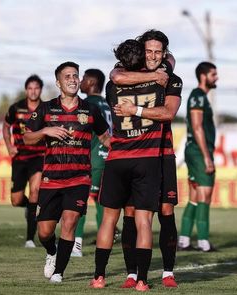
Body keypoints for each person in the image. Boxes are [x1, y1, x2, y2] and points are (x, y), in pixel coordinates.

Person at [90, 39, 170, 291]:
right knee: (144, 222)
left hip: (117, 158)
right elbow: (169, 62)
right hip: (147, 159)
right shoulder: (159, 79)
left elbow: (118, 75)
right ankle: (143, 281)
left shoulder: (114, 84)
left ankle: (99, 278)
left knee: (108, 221)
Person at [24, 61, 110, 283]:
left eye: (75, 75)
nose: (72, 79)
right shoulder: (46, 108)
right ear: (58, 83)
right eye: (67, 76)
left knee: (70, 221)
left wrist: (127, 148)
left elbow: (105, 138)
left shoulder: (91, 109)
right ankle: (51, 252)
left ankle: (59, 272)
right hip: (51, 179)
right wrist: (45, 130)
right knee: (44, 232)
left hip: (79, 178)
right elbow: (27, 137)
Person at [111, 29, 182, 288]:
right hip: (134, 153)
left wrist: (137, 109)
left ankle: (167, 272)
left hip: (162, 154)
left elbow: (168, 113)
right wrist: (154, 75)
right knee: (130, 212)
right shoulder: (131, 71)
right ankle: (132, 273)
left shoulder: (172, 78)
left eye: (158, 52)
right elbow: (114, 75)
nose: (153, 56)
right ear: (142, 51)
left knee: (166, 210)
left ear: (164, 53)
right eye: (148, 51)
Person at [71, 69, 112, 257]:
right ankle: (106, 242)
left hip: (92, 158)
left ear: (93, 82)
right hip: (107, 158)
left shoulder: (88, 104)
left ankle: (76, 244)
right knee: (100, 201)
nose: (81, 81)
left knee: (79, 198)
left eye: (85, 78)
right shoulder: (107, 104)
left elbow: (80, 131)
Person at [177, 61, 218, 252]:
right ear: (203, 76)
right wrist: (207, 156)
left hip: (194, 150)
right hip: (199, 151)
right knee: (205, 194)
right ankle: (203, 242)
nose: (216, 78)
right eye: (213, 74)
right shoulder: (198, 97)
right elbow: (197, 126)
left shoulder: (199, 97)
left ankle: (184, 240)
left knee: (195, 195)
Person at [2, 74, 46, 248]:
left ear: (40, 89)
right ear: (26, 90)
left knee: (35, 191)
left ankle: (29, 239)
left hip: (39, 156)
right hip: (20, 157)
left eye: (36, 88)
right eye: (30, 88)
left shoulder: (45, 108)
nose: (33, 91)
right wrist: (8, 146)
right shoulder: (16, 108)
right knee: (16, 200)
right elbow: (5, 126)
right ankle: (29, 207)